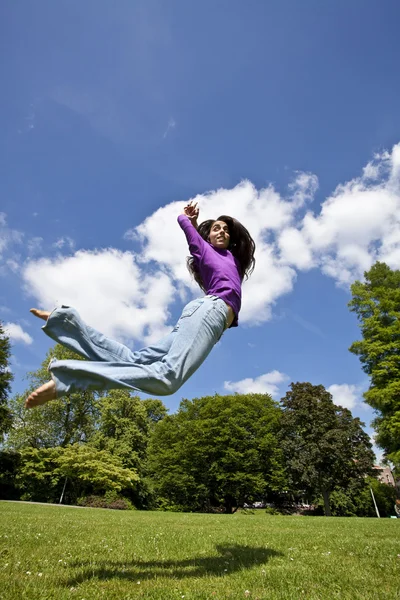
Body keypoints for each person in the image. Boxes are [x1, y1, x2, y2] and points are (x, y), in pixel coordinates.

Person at [25, 202, 256, 408]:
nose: (222, 231)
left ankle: (64, 322)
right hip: (210, 311)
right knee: (168, 379)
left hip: (202, 317)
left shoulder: (233, 259)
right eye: (217, 228)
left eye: (226, 230)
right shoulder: (204, 251)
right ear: (206, 238)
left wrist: (225, 224)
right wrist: (191, 220)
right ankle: (70, 380)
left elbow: (239, 241)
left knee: (134, 360)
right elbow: (183, 224)